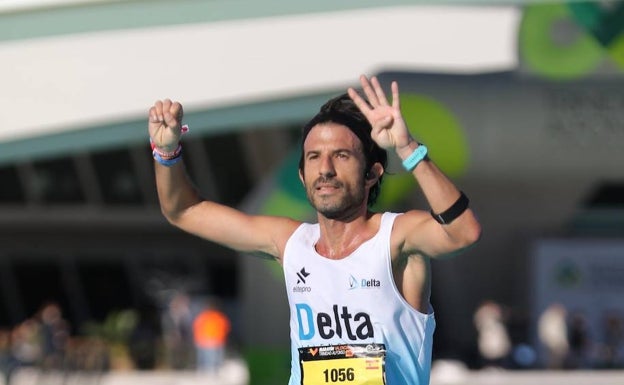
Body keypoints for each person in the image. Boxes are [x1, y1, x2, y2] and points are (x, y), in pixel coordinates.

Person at [148, 75, 481, 385]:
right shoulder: (292, 243)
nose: (325, 169)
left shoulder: (397, 238)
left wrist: (408, 148)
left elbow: (463, 232)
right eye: (314, 157)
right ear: (302, 177)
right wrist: (166, 153)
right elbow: (184, 211)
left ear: (372, 174)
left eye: (341, 156)